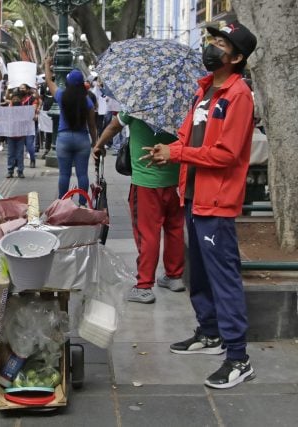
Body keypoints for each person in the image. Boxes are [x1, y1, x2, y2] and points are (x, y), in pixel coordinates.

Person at [142, 21, 258, 389]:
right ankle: (210, 333)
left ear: (236, 57)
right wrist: (169, 148)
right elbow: (191, 135)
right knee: (200, 275)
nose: (211, 47)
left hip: (217, 202)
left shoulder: (239, 95)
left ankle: (238, 357)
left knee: (223, 279)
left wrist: (176, 152)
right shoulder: (205, 91)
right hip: (192, 196)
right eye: (211, 40)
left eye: (221, 43)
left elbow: (226, 153)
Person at [93, 114, 184, 304]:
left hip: (146, 182)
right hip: (176, 180)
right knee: (174, 229)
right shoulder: (180, 104)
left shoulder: (136, 103)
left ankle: (144, 286)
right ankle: (174, 277)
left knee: (147, 233)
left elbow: (113, 127)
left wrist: (99, 144)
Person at [43, 58, 97, 205]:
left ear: (67, 83)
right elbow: (92, 126)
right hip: (82, 139)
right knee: (82, 174)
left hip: (64, 139)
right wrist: (96, 145)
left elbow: (49, 80)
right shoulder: (88, 101)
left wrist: (47, 65)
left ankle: (62, 203)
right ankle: (82, 203)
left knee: (64, 174)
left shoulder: (61, 96)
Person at [6, 90, 26, 178]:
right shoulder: (8, 109)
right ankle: (10, 170)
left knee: (20, 154)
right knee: (10, 154)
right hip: (11, 135)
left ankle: (20, 171)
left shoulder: (24, 109)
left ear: (20, 100)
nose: (15, 101)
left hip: (20, 135)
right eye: (14, 99)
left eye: (17, 99)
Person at [18, 83, 39, 168]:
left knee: (29, 144)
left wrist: (34, 114)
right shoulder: (17, 99)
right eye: (20, 88)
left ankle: (32, 160)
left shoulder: (32, 99)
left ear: (27, 89)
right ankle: (19, 162)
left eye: (23, 88)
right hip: (19, 125)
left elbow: (33, 108)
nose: (21, 90)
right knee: (19, 145)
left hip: (29, 125)